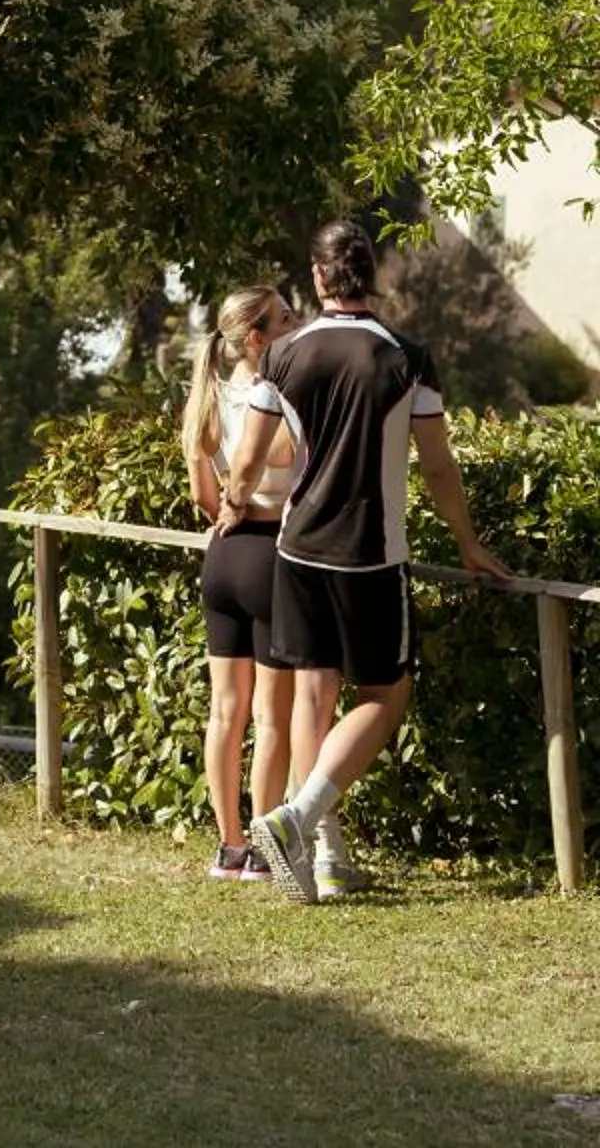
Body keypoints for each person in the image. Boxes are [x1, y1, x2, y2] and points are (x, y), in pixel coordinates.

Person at [218, 219, 512, 904]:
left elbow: (245, 464)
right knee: (385, 695)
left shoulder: (283, 358)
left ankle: (322, 858)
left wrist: (233, 504)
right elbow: (438, 467)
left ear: (318, 277)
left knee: (313, 698)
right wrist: (468, 540)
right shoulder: (405, 356)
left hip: (295, 551)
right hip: (370, 556)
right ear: (370, 273)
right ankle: (298, 820)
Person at [183, 287, 296, 881]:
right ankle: (263, 845)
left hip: (221, 557)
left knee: (223, 713)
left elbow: (206, 495)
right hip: (271, 554)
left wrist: (230, 511)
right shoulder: (274, 400)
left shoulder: (207, 398)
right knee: (271, 718)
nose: (295, 323)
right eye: (284, 318)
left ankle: (228, 847)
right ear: (257, 339)